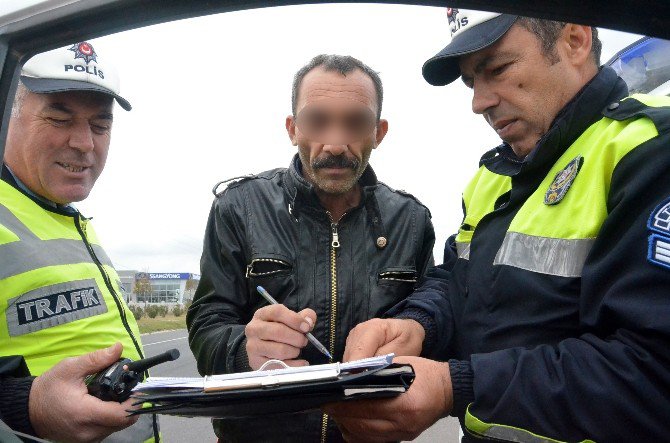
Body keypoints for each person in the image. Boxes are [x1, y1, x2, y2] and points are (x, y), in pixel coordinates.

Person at [324, 9, 670, 442]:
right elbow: (456, 284)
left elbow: (655, 371)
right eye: (472, 81)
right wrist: (417, 325)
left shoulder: (652, 148)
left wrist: (458, 386)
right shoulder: (495, 175)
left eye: (498, 69)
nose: (478, 102)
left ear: (576, 40)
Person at [187, 54, 435, 442]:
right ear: (292, 128)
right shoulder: (238, 207)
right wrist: (242, 349)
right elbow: (206, 324)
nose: (335, 144)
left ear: (379, 132)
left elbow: (430, 326)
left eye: (355, 123)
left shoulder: (412, 220)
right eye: (317, 121)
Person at [0, 42, 158, 442]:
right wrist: (28, 404)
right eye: (58, 118)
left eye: (100, 126)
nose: (85, 143)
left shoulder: (65, 217)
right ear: (7, 116)